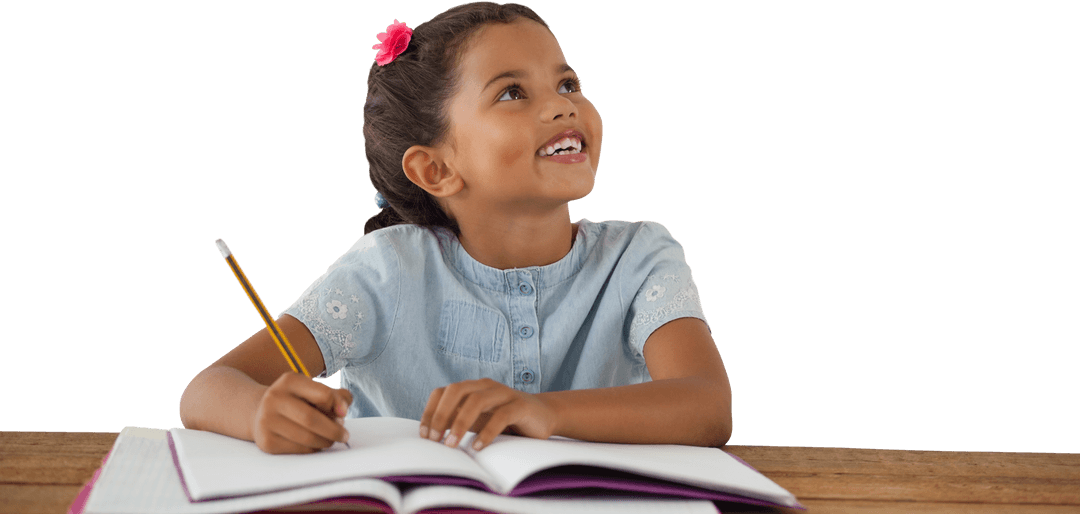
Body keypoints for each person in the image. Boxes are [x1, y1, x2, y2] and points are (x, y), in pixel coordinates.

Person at [179, 1, 732, 455]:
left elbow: (707, 408)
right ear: (435, 169)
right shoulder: (387, 270)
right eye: (513, 93)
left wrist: (541, 412)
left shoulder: (639, 257)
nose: (563, 107)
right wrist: (260, 413)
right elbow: (206, 391)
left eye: (567, 83)